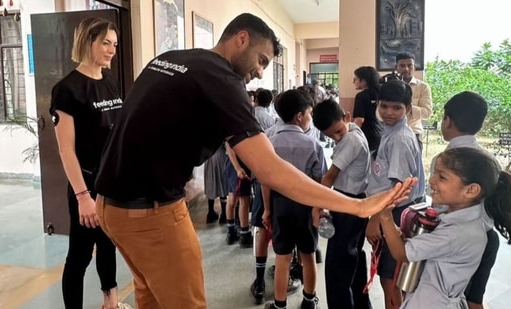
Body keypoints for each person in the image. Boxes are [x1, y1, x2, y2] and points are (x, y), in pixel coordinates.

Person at [94, 13, 415, 309]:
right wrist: (358, 206)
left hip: (110, 205)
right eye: (261, 59)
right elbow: (270, 169)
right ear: (241, 38)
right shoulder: (221, 78)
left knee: (151, 297)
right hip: (150, 213)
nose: (261, 72)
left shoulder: (171, 59)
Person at [380, 147, 511, 309]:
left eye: (442, 177)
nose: (432, 180)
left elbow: (401, 253)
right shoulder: (465, 220)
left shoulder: (459, 232)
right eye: (434, 173)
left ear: (471, 190)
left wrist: (385, 216)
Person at [50, 17, 128, 309]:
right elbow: (65, 150)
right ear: (87, 41)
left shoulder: (109, 82)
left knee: (108, 244)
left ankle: (111, 301)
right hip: (86, 185)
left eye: (115, 44)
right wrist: (83, 197)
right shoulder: (67, 90)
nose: (111, 50)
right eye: (105, 43)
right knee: (80, 254)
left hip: (111, 184)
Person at [434, 91, 511, 309]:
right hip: (487, 239)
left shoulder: (445, 160)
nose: (434, 181)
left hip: (457, 242)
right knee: (474, 299)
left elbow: (440, 206)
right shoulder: (490, 160)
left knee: (449, 296)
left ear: (448, 121)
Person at [262, 89, 326, 309]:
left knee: (282, 256)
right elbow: (319, 182)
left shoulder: (269, 142)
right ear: (299, 115)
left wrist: (267, 209)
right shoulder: (313, 145)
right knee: (308, 254)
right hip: (306, 205)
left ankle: (280, 305)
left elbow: (265, 181)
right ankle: (309, 300)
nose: (311, 117)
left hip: (280, 204)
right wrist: (319, 209)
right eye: (309, 112)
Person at [364, 80, 425, 309]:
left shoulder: (400, 138)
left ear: (408, 109)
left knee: (390, 277)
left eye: (397, 108)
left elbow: (398, 188)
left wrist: (375, 219)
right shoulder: (391, 132)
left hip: (395, 212)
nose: (389, 112)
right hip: (391, 209)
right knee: (389, 276)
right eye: (384, 106)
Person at [312, 100, 372, 309]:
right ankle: (361, 304)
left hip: (347, 205)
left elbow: (329, 178)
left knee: (337, 268)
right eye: (331, 136)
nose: (337, 138)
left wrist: (316, 207)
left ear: (346, 116)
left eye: (338, 131)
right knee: (353, 259)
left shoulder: (350, 141)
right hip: (355, 202)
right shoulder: (354, 130)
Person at [394, 52, 432, 152]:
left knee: (414, 167)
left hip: (414, 133)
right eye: (402, 66)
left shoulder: (423, 87)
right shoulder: (389, 87)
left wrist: (405, 107)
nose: (406, 69)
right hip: (391, 133)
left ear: (414, 67)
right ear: (396, 67)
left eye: (410, 65)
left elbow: (427, 113)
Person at [352, 66, 383, 152]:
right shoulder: (382, 92)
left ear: (364, 80)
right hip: (382, 134)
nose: (353, 82)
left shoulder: (361, 96)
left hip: (367, 136)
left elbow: (359, 120)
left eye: (356, 79)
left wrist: (351, 135)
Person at [203, 142, 228, 224]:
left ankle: (210, 213)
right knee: (222, 185)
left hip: (208, 159)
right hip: (220, 156)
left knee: (211, 184)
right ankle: (224, 215)